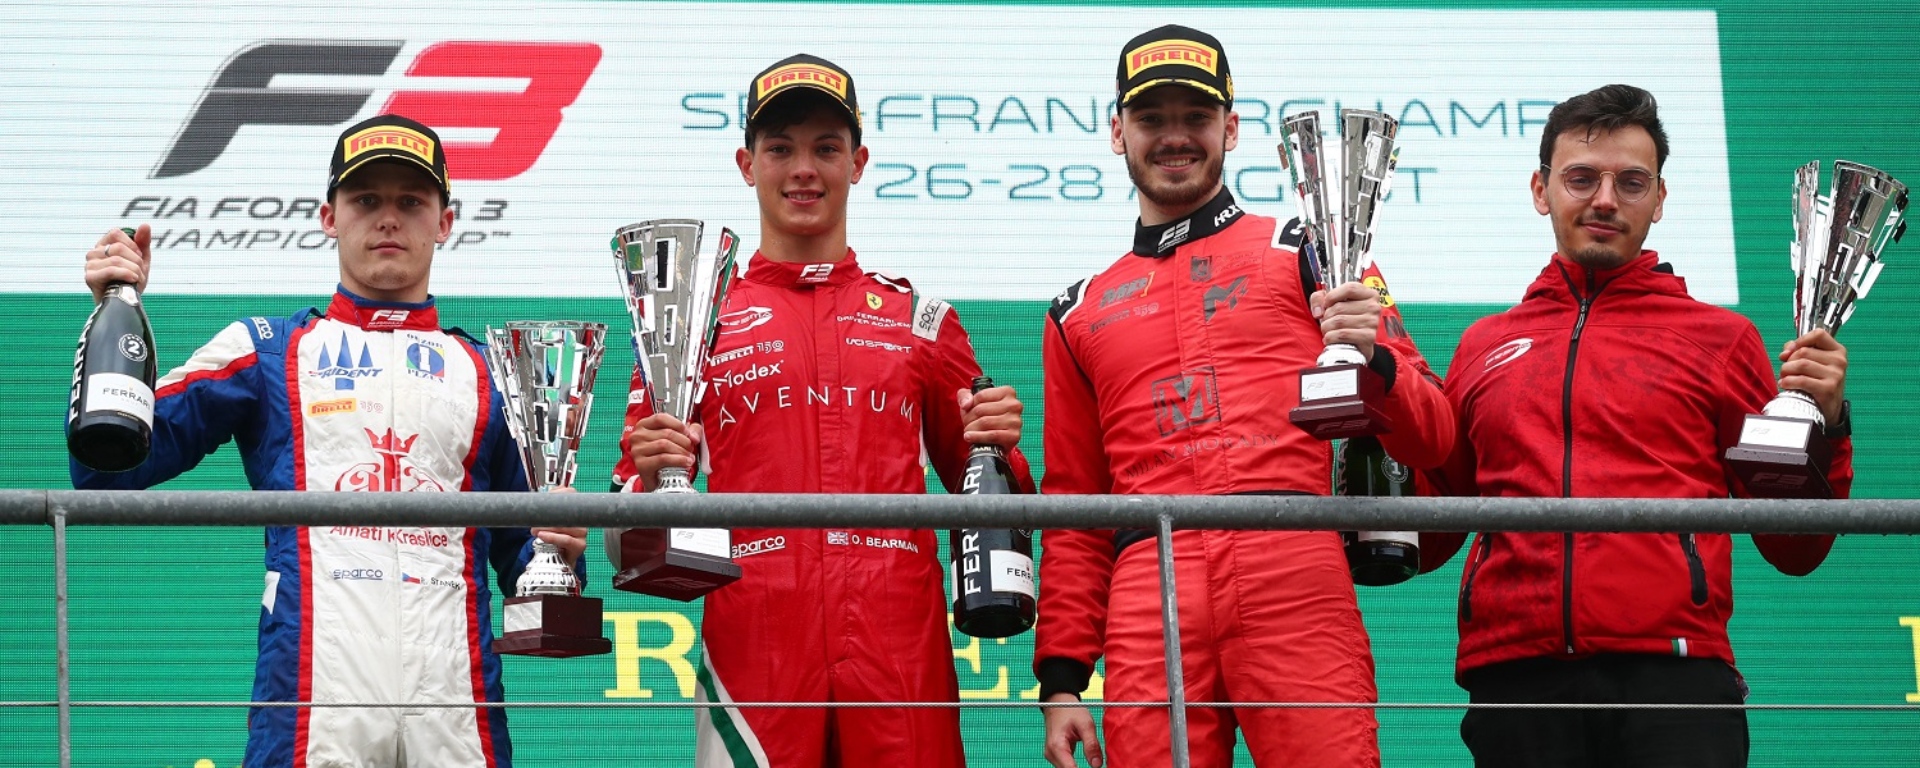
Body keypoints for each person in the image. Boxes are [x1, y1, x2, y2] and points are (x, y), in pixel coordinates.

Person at [71, 114, 588, 768]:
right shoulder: (264, 348)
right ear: (327, 216)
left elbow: (535, 597)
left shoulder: (496, 373)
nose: (389, 218)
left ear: (447, 222)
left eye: (411, 201)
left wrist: (562, 551)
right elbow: (105, 473)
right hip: (313, 701)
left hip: (458, 709)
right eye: (366, 200)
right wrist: (111, 307)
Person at [1034, 25, 1455, 768]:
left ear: (1230, 127)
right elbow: (1074, 504)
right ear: (1116, 132)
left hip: (1293, 566)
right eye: (1151, 119)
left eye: (1194, 118)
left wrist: (1376, 361)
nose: (1174, 138)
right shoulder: (1077, 309)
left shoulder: (1310, 247)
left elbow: (1435, 437)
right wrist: (1063, 679)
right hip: (1147, 585)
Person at [612, 54, 1034, 768]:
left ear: (859, 162)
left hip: (899, 641)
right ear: (747, 164)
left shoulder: (921, 319)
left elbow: (997, 507)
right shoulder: (692, 327)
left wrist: (1000, 447)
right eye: (780, 148)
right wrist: (651, 478)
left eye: (826, 148)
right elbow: (627, 537)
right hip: (757, 642)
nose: (803, 168)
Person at [1421, 84, 1851, 768]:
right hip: (1516, 678)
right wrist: (1378, 408)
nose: (1604, 200)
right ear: (1541, 190)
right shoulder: (1483, 344)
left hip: (1675, 682)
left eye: (1630, 182)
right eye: (1581, 178)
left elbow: (1794, 547)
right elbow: (1423, 534)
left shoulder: (1722, 339)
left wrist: (1825, 424)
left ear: (1659, 199)